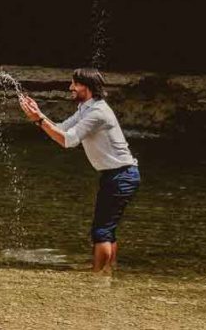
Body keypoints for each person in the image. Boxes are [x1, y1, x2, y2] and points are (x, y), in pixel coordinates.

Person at [18, 67, 140, 274]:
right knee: (106, 228)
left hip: (122, 175)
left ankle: (96, 277)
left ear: (88, 87)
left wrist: (38, 120)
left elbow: (68, 141)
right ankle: (107, 272)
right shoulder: (87, 108)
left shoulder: (98, 113)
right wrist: (39, 115)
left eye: (74, 84)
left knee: (101, 230)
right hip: (117, 175)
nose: (70, 87)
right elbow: (62, 128)